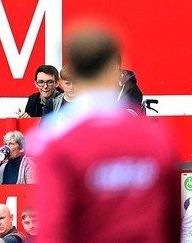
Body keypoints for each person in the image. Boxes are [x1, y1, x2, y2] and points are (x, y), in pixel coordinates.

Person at [32, 29, 180, 242]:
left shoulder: (54, 141)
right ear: (113, 68)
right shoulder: (158, 138)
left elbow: (53, 226)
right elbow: (171, 221)